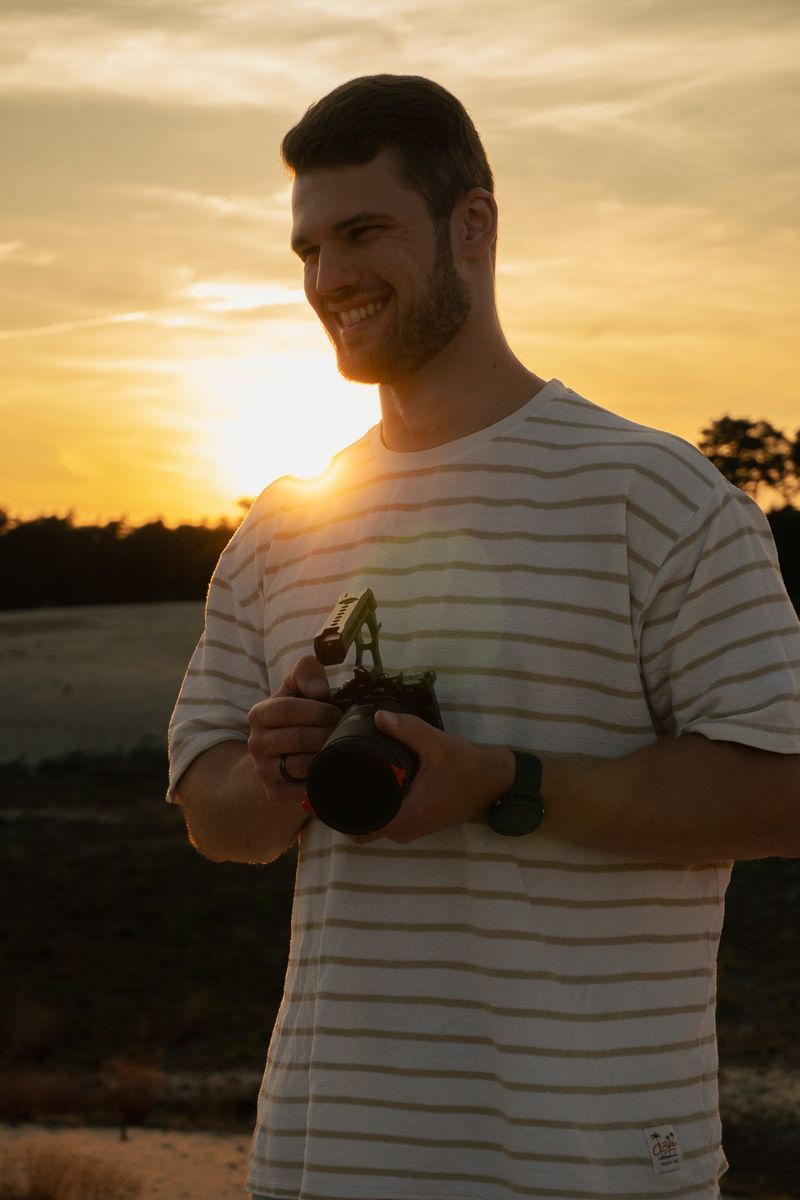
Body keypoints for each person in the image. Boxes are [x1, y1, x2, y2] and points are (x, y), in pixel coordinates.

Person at [168, 75, 800, 1200]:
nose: (328, 278)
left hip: (589, 1164)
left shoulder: (654, 497)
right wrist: (277, 770)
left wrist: (506, 784)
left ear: (473, 225)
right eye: (309, 248)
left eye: (364, 233)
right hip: (326, 1163)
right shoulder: (282, 525)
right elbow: (213, 818)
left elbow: (782, 793)